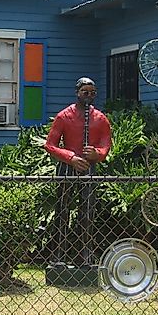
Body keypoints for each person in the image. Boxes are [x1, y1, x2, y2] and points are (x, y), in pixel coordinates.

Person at [44, 77, 112, 266]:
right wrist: (70, 157)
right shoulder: (64, 116)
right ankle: (58, 254)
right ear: (77, 93)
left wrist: (97, 153)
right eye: (85, 92)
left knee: (88, 212)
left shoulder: (100, 119)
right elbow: (50, 145)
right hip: (68, 167)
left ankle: (86, 255)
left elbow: (106, 144)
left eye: (92, 93)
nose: (89, 96)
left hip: (89, 167)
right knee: (62, 210)